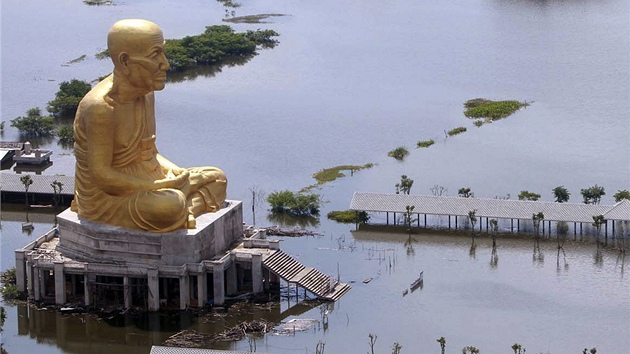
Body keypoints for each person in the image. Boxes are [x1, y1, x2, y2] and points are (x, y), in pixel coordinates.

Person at [71, 19, 227, 232]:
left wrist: (176, 172)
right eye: (155, 55)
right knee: (167, 206)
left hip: (149, 179)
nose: (166, 64)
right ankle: (181, 209)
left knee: (217, 177)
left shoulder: (145, 94)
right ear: (125, 61)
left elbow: (149, 152)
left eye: (163, 53)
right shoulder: (101, 107)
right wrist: (160, 186)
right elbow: (103, 178)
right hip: (109, 198)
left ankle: (185, 209)